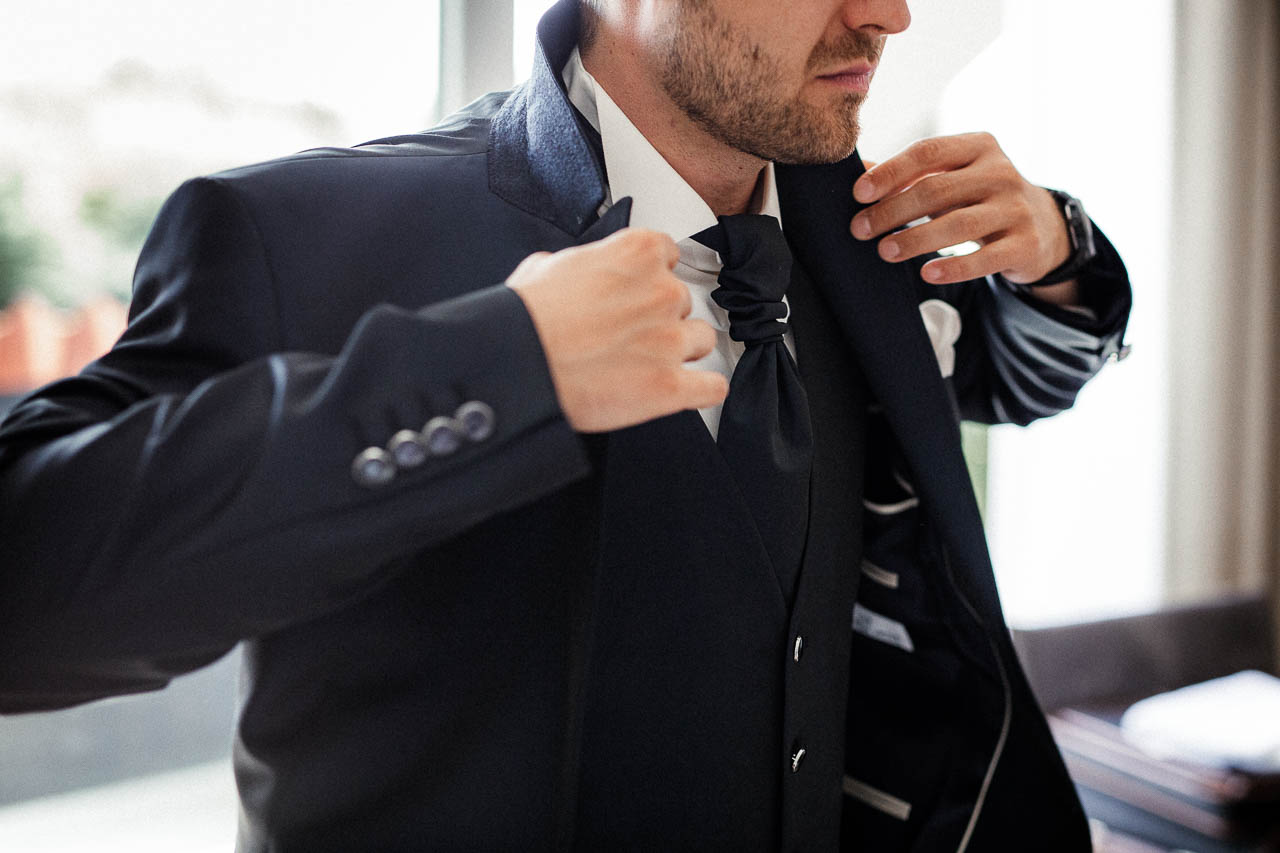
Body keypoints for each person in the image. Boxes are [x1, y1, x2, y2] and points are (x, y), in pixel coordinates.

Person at [0, 0, 1130, 849]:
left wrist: (1058, 257)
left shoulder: (864, 228)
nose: (887, 12)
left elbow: (1004, 380)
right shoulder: (298, 233)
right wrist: (500, 367)